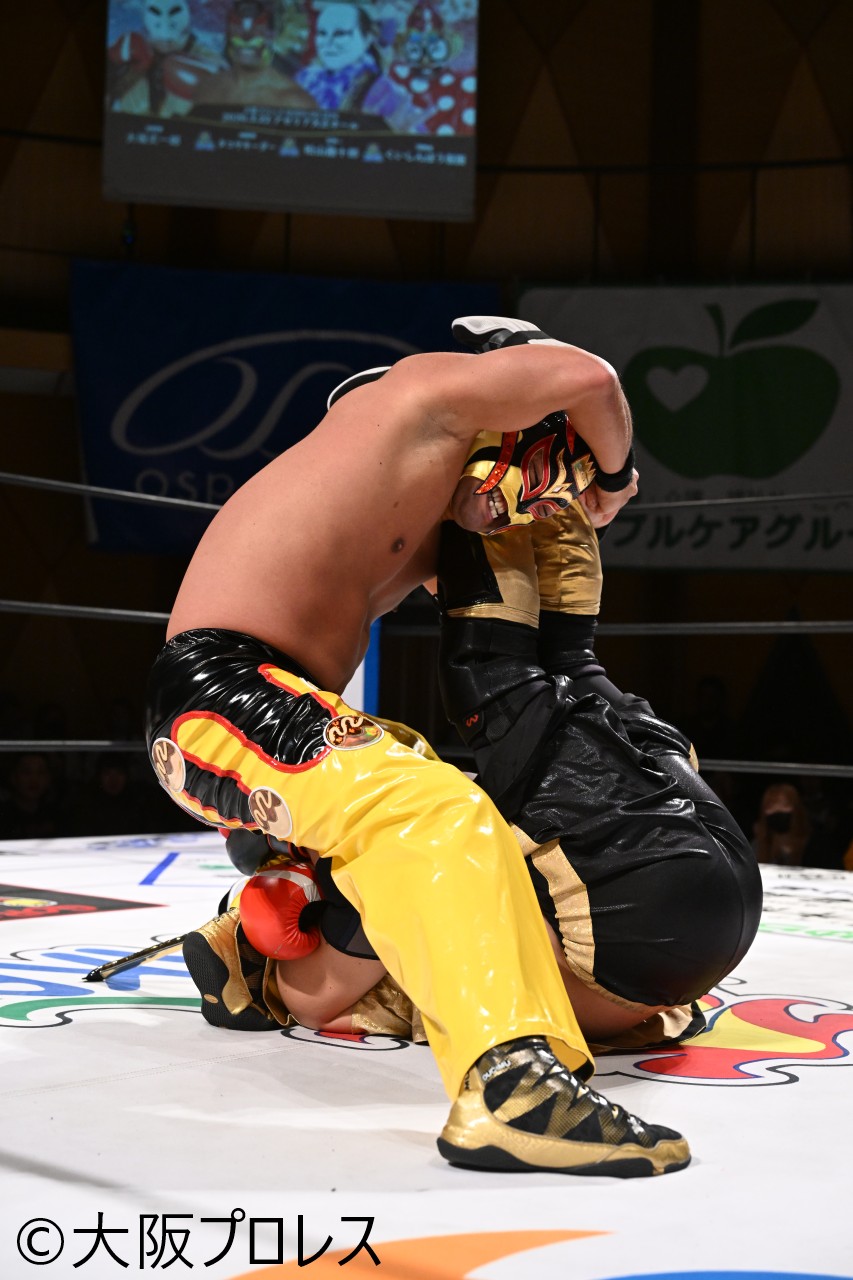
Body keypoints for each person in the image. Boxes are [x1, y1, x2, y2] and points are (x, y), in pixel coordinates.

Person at [146, 314, 690, 1178]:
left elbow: (511, 606)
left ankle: (246, 960)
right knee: (431, 813)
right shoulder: (419, 395)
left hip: (283, 705)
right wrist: (615, 481)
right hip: (220, 697)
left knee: (442, 800)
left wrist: (515, 512)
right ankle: (511, 1092)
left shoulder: (424, 496)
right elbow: (590, 379)